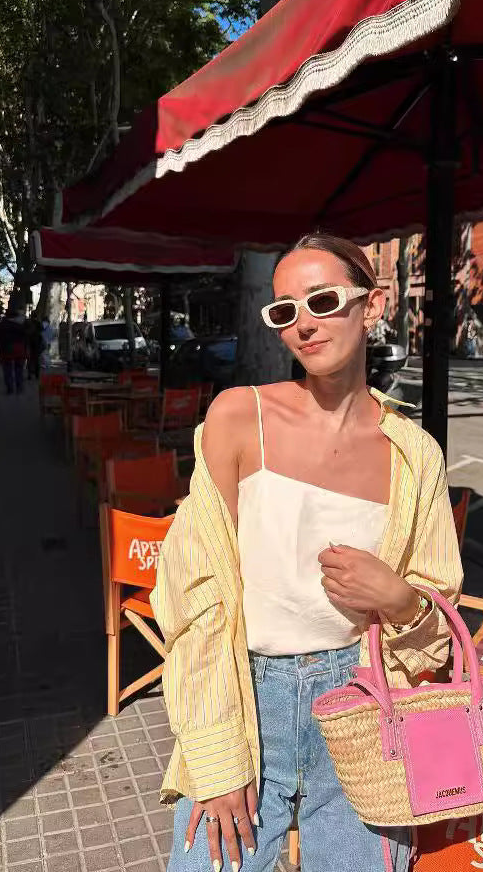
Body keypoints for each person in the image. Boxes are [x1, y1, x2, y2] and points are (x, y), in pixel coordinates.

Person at [152, 233, 463, 872]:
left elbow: (437, 620)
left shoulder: (414, 455)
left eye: (322, 300)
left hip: (365, 703)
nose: (303, 324)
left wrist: (400, 600)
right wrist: (217, 756)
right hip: (248, 699)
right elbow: (192, 592)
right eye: (284, 310)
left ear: (373, 305)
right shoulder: (239, 417)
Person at [0, 310, 28, 395]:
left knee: (7, 369)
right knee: (19, 368)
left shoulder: (1, 325)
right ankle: (19, 386)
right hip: (19, 348)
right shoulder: (20, 326)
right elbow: (25, 337)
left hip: (6, 348)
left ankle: (10, 388)